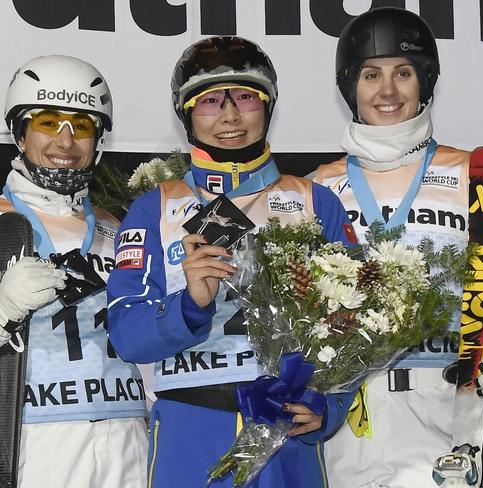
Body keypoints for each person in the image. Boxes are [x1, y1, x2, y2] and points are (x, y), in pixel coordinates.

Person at [106, 36, 357, 487]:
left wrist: (330, 403)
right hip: (191, 428)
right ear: (186, 114)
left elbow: (355, 322)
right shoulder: (155, 207)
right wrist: (189, 305)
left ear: (267, 106)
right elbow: (126, 335)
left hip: (286, 431)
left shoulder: (315, 201)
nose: (229, 116)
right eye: (209, 102)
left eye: (244, 97)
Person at [313, 7, 483, 488]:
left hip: (449, 417)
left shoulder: (475, 175)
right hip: (349, 423)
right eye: (372, 74)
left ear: (426, 81)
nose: (388, 91)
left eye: (403, 73)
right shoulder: (317, 189)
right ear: (351, 85)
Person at [0, 55, 148, 487]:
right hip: (36, 442)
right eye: (49, 122)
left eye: (83, 126)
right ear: (19, 133)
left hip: (131, 435)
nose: (66, 142)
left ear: (100, 139)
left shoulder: (120, 228)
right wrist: (0, 311)